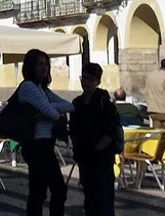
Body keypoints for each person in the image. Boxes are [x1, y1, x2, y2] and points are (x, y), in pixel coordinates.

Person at [17, 48, 73, 216]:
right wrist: (48, 110)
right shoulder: (28, 87)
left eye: (46, 64)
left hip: (45, 144)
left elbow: (69, 106)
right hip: (36, 145)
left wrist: (45, 108)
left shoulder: (43, 90)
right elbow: (52, 114)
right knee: (56, 189)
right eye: (39, 64)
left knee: (39, 190)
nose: (44, 68)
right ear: (31, 66)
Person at [70, 63, 119, 216]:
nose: (85, 82)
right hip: (84, 158)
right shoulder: (77, 103)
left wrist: (96, 150)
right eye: (83, 78)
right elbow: (73, 129)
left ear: (97, 81)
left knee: (104, 200)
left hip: (102, 159)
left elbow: (111, 132)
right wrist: (77, 148)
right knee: (89, 199)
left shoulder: (104, 102)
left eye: (90, 79)